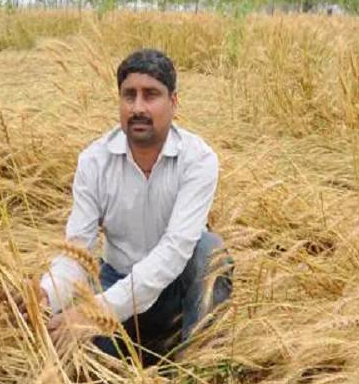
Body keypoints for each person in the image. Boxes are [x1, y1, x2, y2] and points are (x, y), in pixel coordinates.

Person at [33, 48, 232, 366]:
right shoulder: (93, 162)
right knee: (75, 359)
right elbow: (75, 254)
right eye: (129, 95)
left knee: (210, 251)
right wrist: (43, 296)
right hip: (115, 281)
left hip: (176, 295)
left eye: (151, 95)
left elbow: (175, 250)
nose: (138, 107)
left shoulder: (198, 159)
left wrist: (98, 311)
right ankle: (138, 354)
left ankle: (200, 371)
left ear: (174, 103)